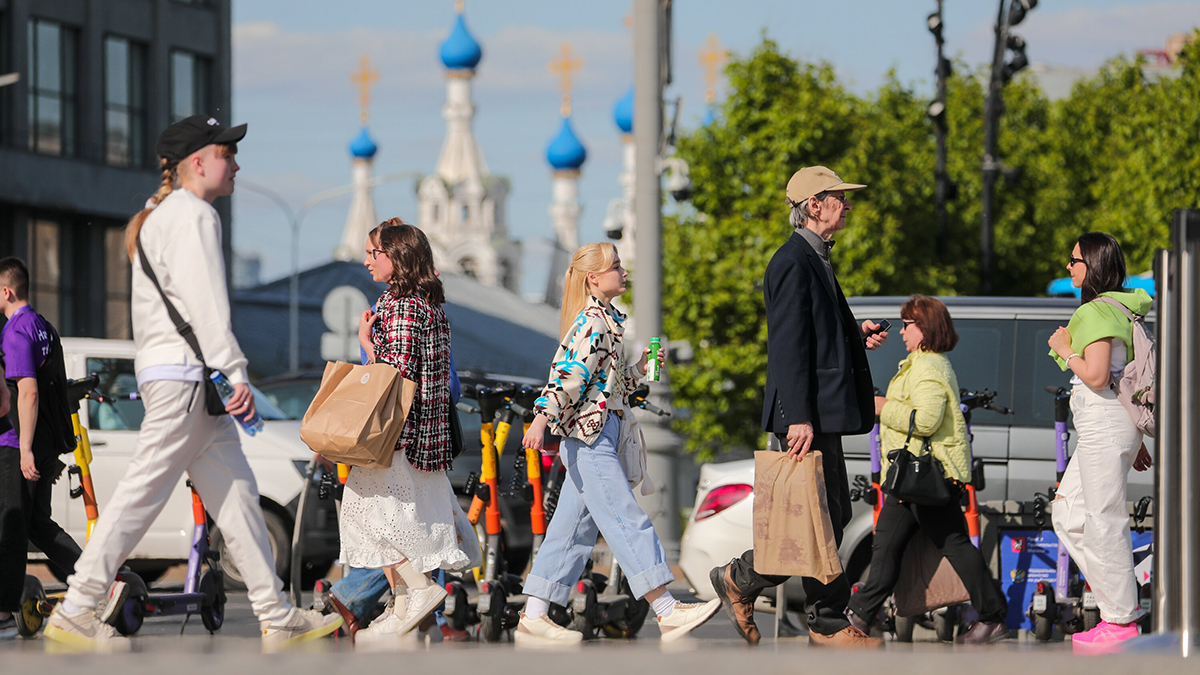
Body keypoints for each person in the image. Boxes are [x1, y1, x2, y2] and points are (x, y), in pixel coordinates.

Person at [44, 115, 341, 652]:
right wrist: (235, 370)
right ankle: (76, 607)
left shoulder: (158, 218)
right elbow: (207, 303)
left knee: (238, 497)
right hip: (187, 377)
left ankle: (275, 613)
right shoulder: (195, 216)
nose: (237, 164)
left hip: (178, 376)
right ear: (198, 162)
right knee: (143, 493)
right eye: (228, 153)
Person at [709, 166, 887, 649]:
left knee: (826, 514)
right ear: (814, 205)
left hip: (820, 412)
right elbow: (788, 347)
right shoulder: (793, 261)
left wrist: (856, 335)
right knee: (817, 515)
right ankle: (810, 612)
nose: (846, 206)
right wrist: (797, 418)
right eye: (838, 198)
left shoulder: (815, 258)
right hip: (808, 416)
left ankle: (759, 588)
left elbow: (816, 334)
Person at [515, 242, 720, 647]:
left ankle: (534, 616)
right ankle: (666, 609)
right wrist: (541, 418)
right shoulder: (592, 321)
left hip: (596, 432)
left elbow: (602, 385)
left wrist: (639, 370)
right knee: (625, 518)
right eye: (617, 266)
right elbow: (568, 377)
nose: (624, 272)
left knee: (572, 530)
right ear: (594, 277)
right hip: (590, 438)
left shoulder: (606, 320)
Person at [325, 223, 474, 644]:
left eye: (375, 253)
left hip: (397, 434)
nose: (368, 260)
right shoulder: (426, 302)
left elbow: (396, 375)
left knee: (367, 514)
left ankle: (418, 590)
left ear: (398, 257)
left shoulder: (402, 305)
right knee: (405, 518)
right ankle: (405, 605)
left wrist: (367, 347)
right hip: (422, 434)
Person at [845, 295, 1009, 643]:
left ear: (926, 328)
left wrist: (883, 407)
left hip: (921, 475)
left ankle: (857, 616)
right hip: (917, 476)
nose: (902, 331)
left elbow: (928, 420)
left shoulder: (928, 366)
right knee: (897, 546)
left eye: (908, 324)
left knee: (932, 546)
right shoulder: (922, 362)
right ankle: (858, 616)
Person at [1047, 232, 1153, 655]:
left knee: (1103, 518)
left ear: (1091, 265)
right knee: (1068, 514)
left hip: (1104, 424)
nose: (1069, 267)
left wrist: (1062, 348)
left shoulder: (1095, 311)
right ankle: (1121, 600)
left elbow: (1094, 375)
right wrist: (1132, 437)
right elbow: (1115, 378)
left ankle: (1121, 620)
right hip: (1112, 423)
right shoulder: (1119, 308)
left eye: (1074, 260)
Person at [0, 258, 88, 638]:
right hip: (47, 442)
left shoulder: (15, 331)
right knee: (36, 524)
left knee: (15, 525)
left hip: (23, 444)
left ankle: (4, 608)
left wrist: (24, 450)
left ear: (6, 291)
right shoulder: (43, 327)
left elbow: (28, 392)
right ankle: (94, 578)